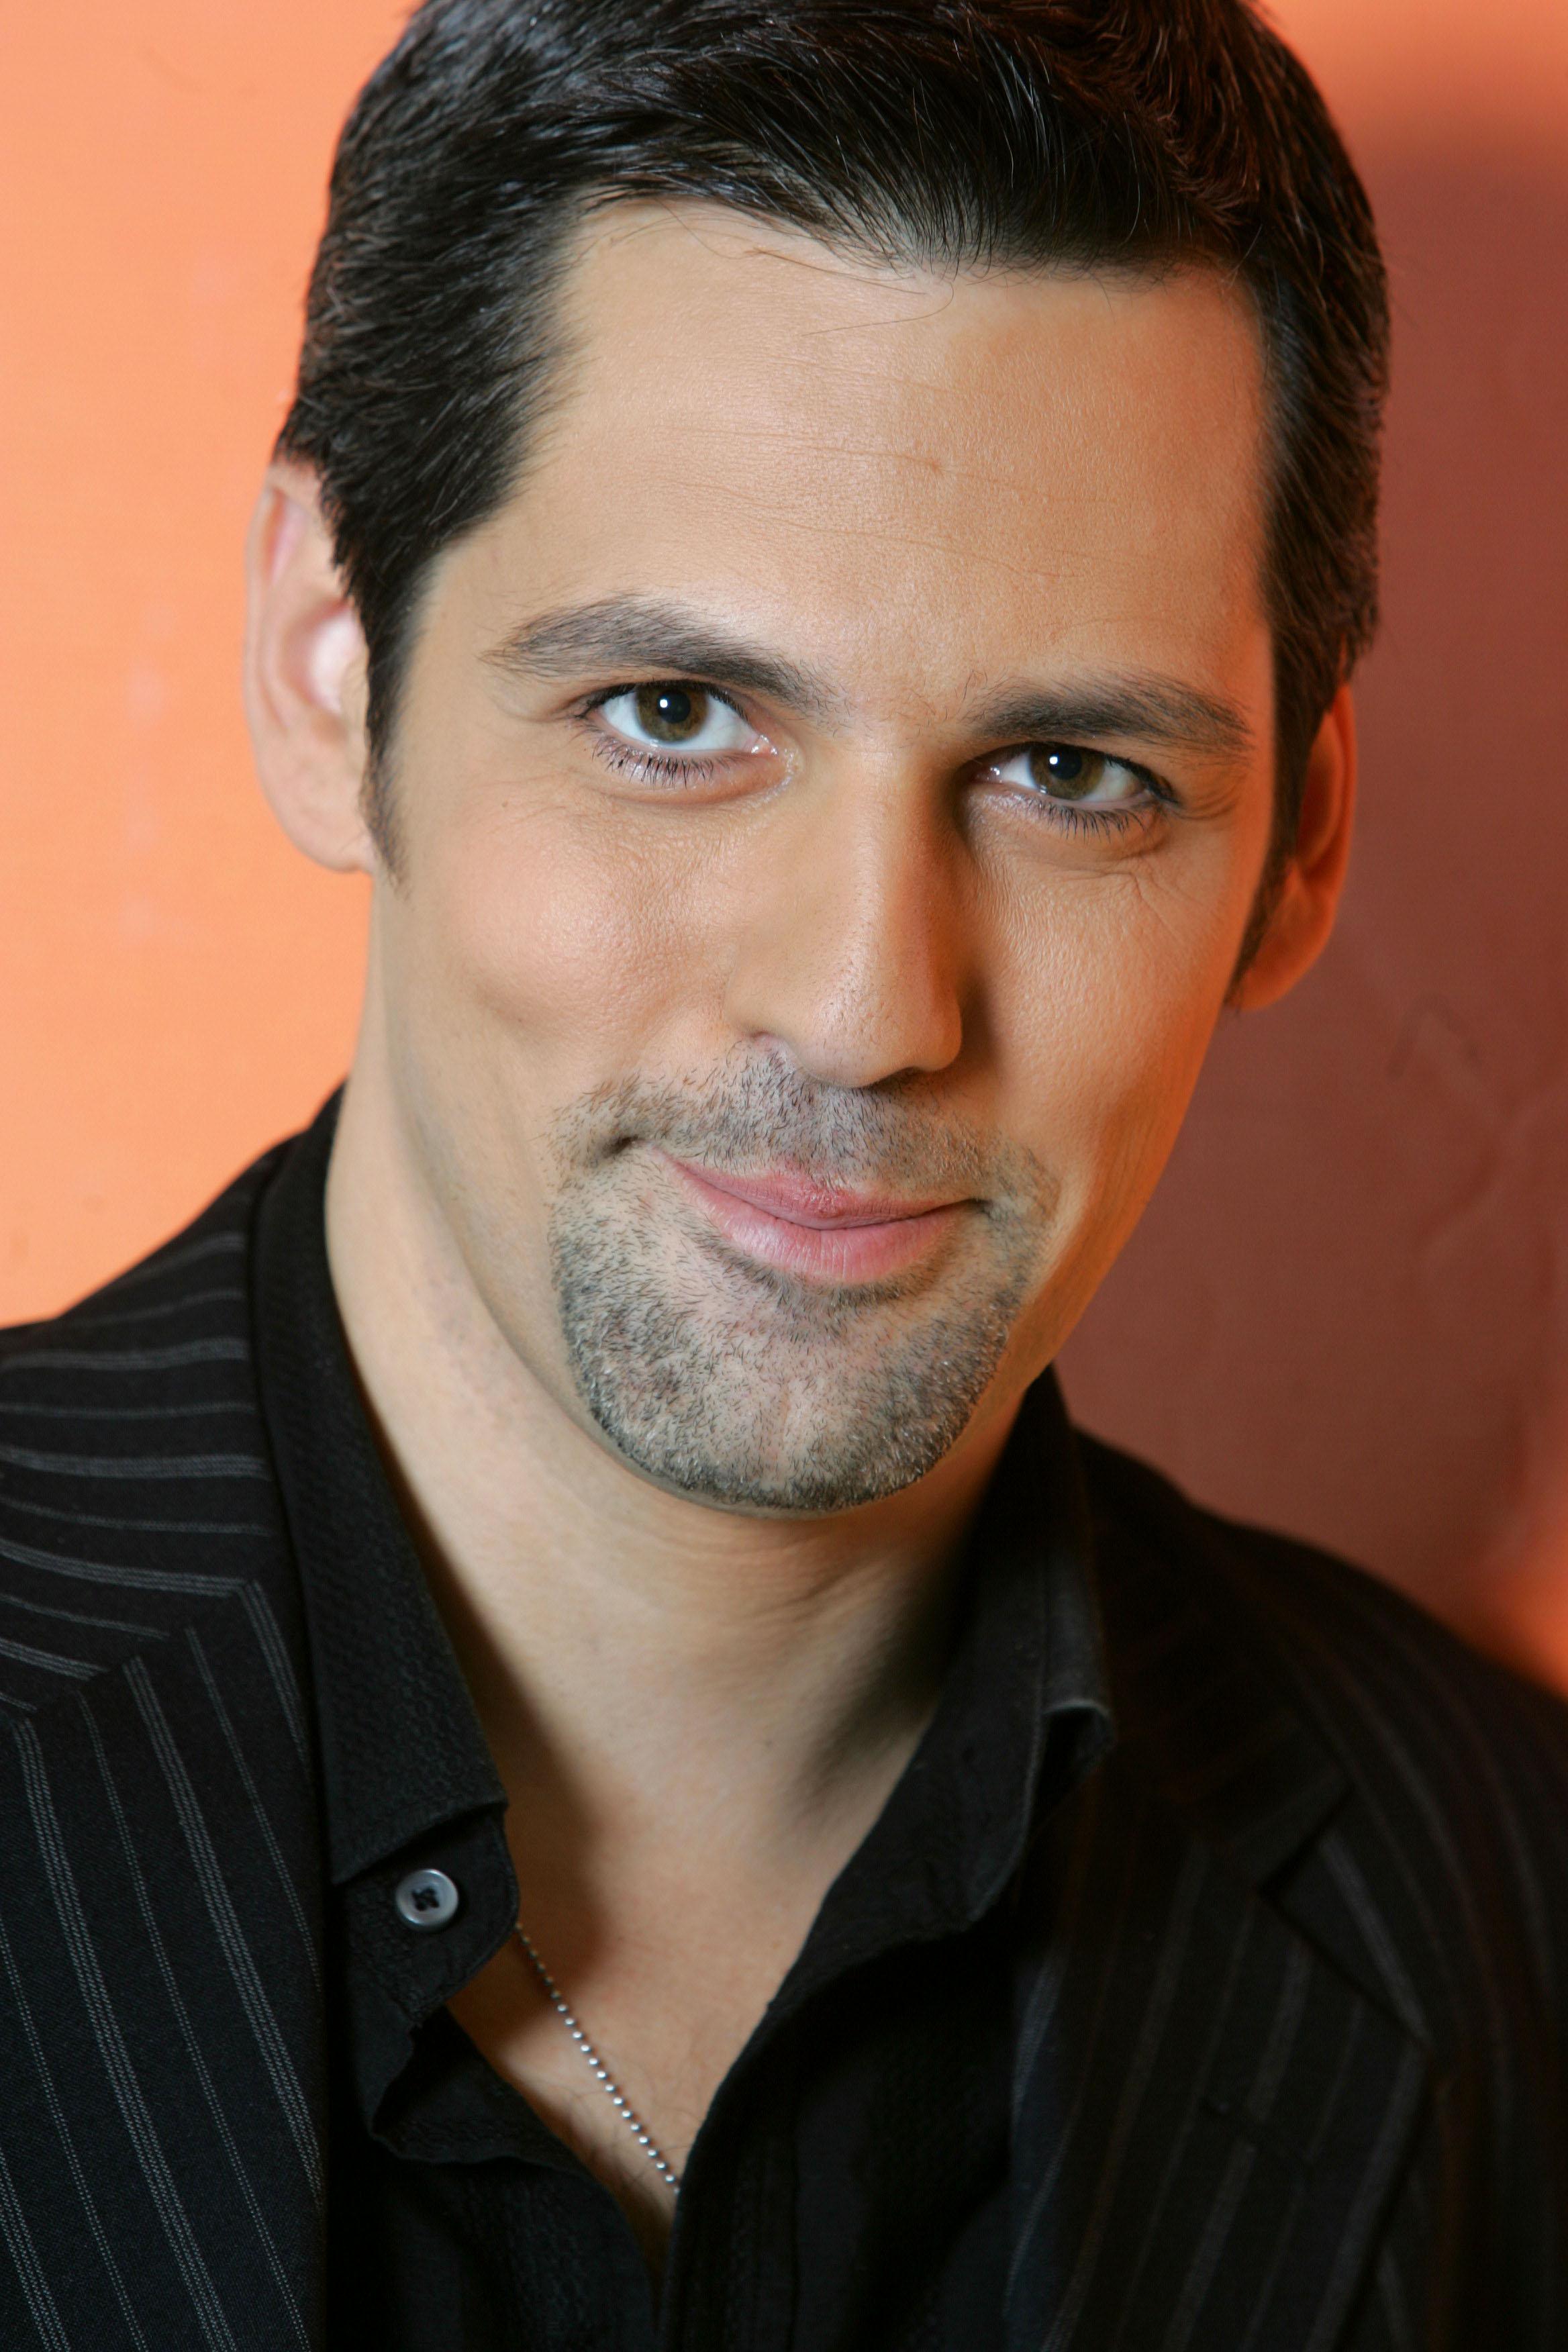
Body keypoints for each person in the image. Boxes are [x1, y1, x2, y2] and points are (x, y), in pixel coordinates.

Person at [3, 0, 1565, 2343]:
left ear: (1300, 844)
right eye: (675, 718)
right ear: (332, 661)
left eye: (1071, 773)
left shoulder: (1510, 1910)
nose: (864, 1007)